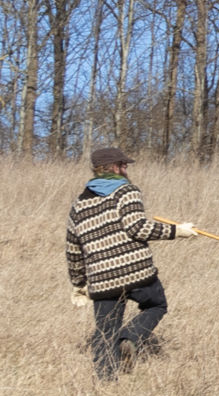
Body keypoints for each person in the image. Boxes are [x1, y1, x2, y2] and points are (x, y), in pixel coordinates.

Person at [64, 145, 197, 379]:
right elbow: (138, 227)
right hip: (136, 273)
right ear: (112, 168)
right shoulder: (126, 191)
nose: (126, 168)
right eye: (123, 164)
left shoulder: (79, 204)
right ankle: (130, 338)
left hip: (102, 280)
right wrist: (177, 231)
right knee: (157, 305)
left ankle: (107, 384)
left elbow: (73, 247)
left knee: (105, 333)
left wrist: (79, 283)